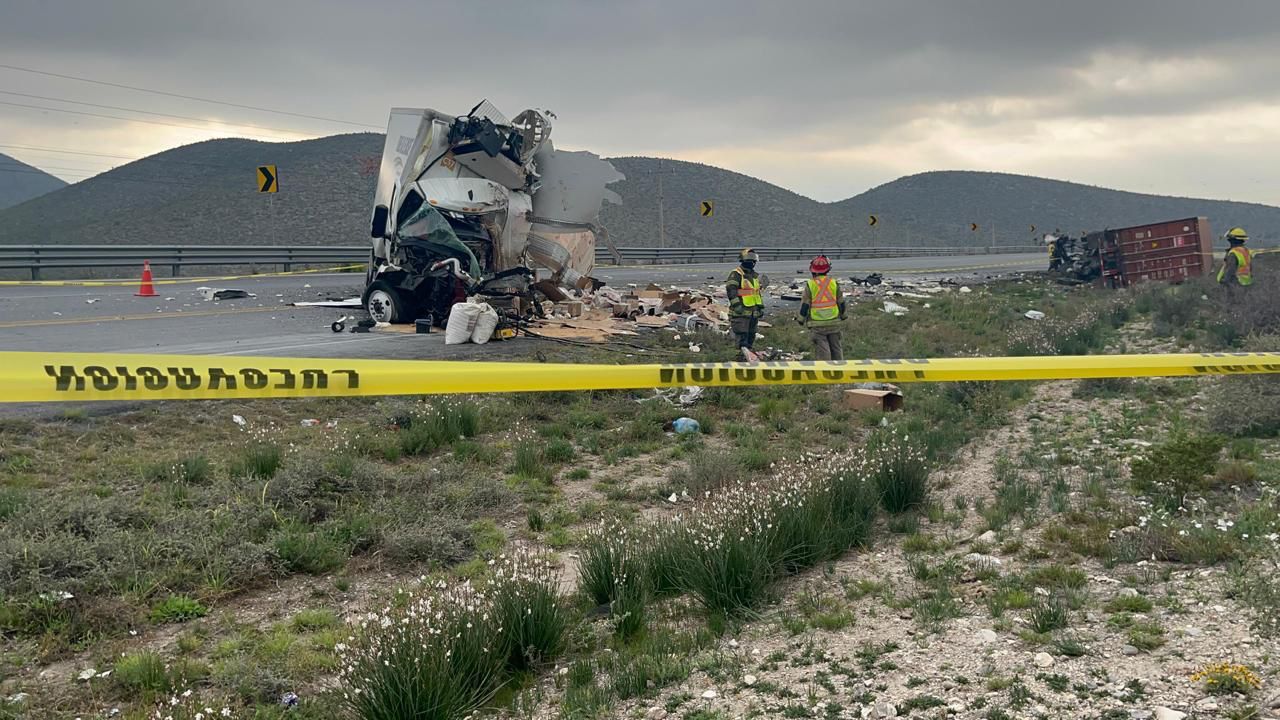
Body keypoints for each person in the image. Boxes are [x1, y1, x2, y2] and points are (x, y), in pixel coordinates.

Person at [799, 255, 847, 361]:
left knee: (823, 351)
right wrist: (843, 315)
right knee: (836, 349)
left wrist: (801, 319)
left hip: (817, 324)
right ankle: (840, 371)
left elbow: (805, 305)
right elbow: (841, 302)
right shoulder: (833, 283)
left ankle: (826, 373)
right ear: (828, 269)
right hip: (834, 323)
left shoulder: (811, 284)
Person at [726, 248, 764, 360]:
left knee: (750, 337)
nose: (753, 263)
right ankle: (741, 359)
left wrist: (760, 308)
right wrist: (738, 307)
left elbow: (757, 294)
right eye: (750, 260)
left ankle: (748, 359)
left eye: (754, 261)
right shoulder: (736, 274)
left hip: (753, 313)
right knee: (742, 339)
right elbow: (731, 292)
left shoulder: (754, 276)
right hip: (741, 314)